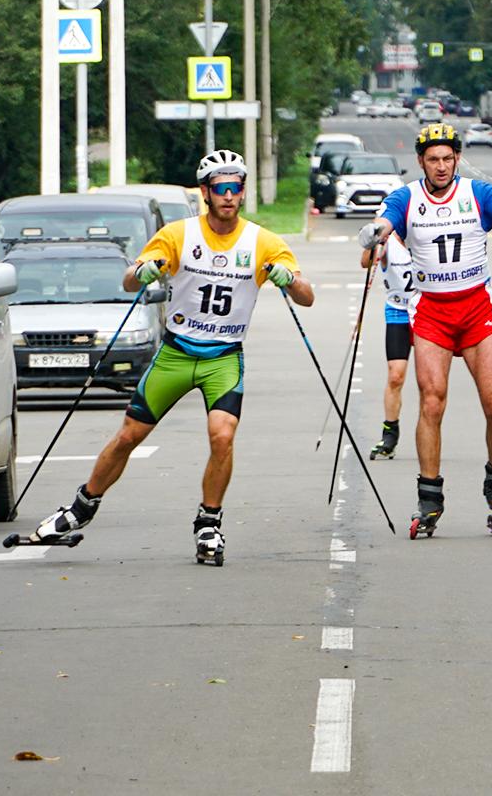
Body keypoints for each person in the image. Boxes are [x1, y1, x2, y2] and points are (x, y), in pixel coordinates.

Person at [27, 150, 312, 564]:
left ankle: (209, 522)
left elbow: (307, 296)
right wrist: (143, 271)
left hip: (223, 357)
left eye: (236, 187)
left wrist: (290, 280)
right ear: (205, 193)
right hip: (177, 353)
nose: (230, 196)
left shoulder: (262, 241)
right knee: (128, 436)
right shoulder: (179, 235)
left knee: (223, 436)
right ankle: (81, 507)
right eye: (221, 188)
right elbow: (130, 279)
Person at [356, 124, 492, 537]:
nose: (441, 166)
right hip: (433, 313)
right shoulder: (407, 197)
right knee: (432, 403)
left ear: (457, 158)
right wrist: (374, 235)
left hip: (476, 310)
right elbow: (384, 225)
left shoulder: (477, 194)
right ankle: (429, 497)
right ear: (420, 161)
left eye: (447, 158)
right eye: (433, 159)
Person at [363, 232, 417, 460]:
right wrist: (373, 241)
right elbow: (366, 262)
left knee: (429, 380)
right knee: (396, 376)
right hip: (398, 311)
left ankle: (429, 431)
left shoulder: (424, 232)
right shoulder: (389, 241)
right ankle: (389, 434)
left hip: (427, 311)